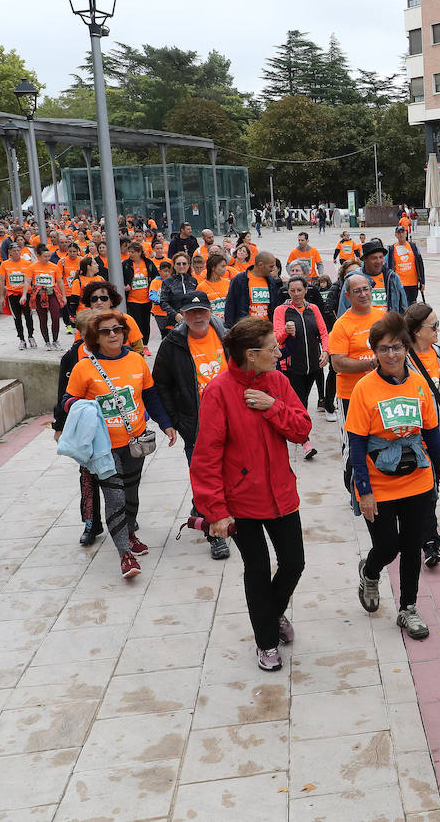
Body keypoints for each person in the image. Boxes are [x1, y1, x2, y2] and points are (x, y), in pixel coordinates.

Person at [191, 317, 312, 672]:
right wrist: (215, 511)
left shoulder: (277, 381)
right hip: (241, 502)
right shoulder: (219, 391)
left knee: (294, 562)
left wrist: (271, 406)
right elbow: (206, 456)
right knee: (257, 568)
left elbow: (302, 429)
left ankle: (270, 615)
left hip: (281, 494)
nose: (278, 352)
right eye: (273, 349)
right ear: (252, 353)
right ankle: (266, 641)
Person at [348, 312, 440, 636]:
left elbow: (432, 434)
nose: (391, 354)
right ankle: (370, 571)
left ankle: (408, 608)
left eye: (396, 347)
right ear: (375, 352)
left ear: (407, 347)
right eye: (383, 349)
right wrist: (363, 490)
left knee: (412, 546)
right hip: (378, 483)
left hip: (418, 478)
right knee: (387, 545)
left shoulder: (418, 383)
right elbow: (357, 445)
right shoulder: (365, 389)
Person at [63, 309, 177, 579]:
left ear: (125, 333)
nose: (113, 334)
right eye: (105, 331)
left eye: (117, 329)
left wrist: (166, 424)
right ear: (95, 337)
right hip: (103, 447)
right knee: (114, 497)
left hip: (135, 441)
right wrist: (85, 406)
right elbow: (66, 401)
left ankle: (131, 530)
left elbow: (150, 396)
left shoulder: (137, 361)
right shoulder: (84, 367)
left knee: (131, 492)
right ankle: (125, 554)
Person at [153, 290, 233, 560]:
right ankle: (215, 536)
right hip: (195, 424)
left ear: (210, 312)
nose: (198, 317)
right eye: (191, 312)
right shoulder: (172, 343)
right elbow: (160, 384)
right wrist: (174, 420)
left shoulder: (226, 336)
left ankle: (202, 509)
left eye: (202, 311)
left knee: (228, 474)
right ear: (183, 315)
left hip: (230, 419)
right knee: (207, 477)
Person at [404, 301, 440, 566]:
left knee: (434, 484)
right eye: (434, 326)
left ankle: (423, 529)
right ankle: (430, 541)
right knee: (428, 488)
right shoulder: (403, 359)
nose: (438, 329)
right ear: (418, 331)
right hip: (417, 438)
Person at [52, 309, 103, 546]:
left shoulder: (109, 353)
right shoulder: (71, 358)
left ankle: (125, 519)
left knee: (115, 476)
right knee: (87, 475)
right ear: (81, 333)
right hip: (83, 426)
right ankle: (91, 523)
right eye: (90, 331)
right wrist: (59, 426)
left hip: (110, 424)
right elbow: (63, 393)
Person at [274, 276, 329, 460]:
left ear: (306, 290)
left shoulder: (313, 309)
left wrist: (326, 352)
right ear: (288, 292)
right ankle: (305, 442)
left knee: (301, 403)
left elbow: (323, 332)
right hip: (291, 366)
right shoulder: (281, 311)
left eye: (299, 290)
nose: (296, 294)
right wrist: (285, 331)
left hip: (313, 365)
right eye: (292, 290)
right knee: (300, 404)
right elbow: (276, 338)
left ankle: (295, 430)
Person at [329, 273, 388, 417]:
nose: (363, 294)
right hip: (351, 395)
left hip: (381, 391)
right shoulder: (341, 325)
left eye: (366, 289)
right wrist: (371, 364)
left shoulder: (382, 317)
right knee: (354, 439)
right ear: (348, 296)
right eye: (357, 291)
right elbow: (338, 364)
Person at [226, 251, 284, 327]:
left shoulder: (271, 281)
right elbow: (230, 305)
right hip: (247, 329)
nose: (273, 269)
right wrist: (230, 328)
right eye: (271, 266)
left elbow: (274, 306)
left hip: (267, 329)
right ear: (260, 265)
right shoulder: (239, 279)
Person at [26, 244, 67, 350]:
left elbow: (60, 282)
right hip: (39, 295)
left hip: (52, 293)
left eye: (49, 256)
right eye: (45, 256)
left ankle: (55, 340)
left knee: (55, 316)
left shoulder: (54, 267)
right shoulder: (32, 267)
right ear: (38, 255)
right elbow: (27, 282)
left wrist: (64, 296)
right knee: (43, 318)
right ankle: (47, 341)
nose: (47, 258)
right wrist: (23, 295)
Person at [0, 245, 36, 349]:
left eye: (18, 250)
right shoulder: (4, 264)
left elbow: (31, 280)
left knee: (28, 316)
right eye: (13, 250)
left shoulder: (27, 264)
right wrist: (1, 297)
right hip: (12, 294)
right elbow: (1, 282)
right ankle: (21, 339)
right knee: (17, 318)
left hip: (25, 293)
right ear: (9, 252)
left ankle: (31, 336)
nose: (16, 252)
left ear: (21, 251)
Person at [360, 240, 409, 313]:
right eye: (374, 258)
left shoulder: (392, 277)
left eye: (381, 257)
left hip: (388, 322)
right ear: (365, 259)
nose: (379, 261)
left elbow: (403, 304)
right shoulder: (355, 279)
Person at [386, 223, 426, 306]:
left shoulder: (413, 246)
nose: (401, 234)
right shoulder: (392, 248)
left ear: (406, 233)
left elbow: (420, 264)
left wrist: (422, 282)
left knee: (412, 306)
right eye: (399, 233)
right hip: (399, 284)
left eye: (402, 232)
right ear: (395, 235)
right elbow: (389, 267)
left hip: (413, 283)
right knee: (401, 306)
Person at [193, 254, 231, 325]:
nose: (225, 269)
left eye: (225, 266)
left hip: (227, 324)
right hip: (210, 324)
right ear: (213, 267)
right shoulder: (201, 287)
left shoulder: (229, 283)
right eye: (222, 266)